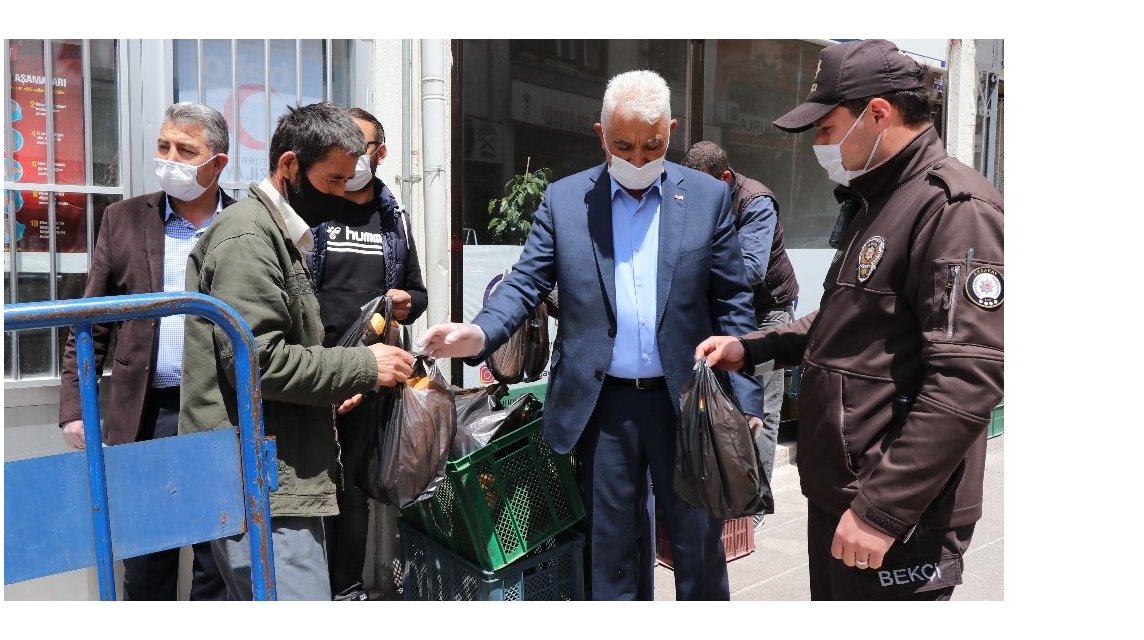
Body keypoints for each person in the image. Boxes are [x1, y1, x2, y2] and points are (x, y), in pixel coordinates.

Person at [421, 70, 760, 601]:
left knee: (698, 546)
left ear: (670, 131)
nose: (640, 158)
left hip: (688, 402)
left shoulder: (705, 199)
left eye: (654, 145)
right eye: (624, 145)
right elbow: (527, 282)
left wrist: (746, 398)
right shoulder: (564, 202)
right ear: (600, 134)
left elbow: (733, 302)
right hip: (605, 407)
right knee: (614, 553)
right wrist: (478, 332)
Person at [695, 39, 1004, 600]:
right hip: (843, 491)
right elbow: (840, 321)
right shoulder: (877, 201)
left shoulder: (953, 209)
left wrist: (883, 510)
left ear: (878, 113)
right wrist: (752, 346)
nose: (819, 145)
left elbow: (968, 377)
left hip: (897, 512)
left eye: (826, 129)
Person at [178, 102, 415, 601]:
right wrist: (363, 365)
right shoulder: (248, 237)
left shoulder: (278, 234)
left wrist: (333, 390)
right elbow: (259, 362)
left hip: (276, 471)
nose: (341, 196)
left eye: (348, 182)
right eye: (331, 182)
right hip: (261, 479)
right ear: (289, 166)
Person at [57, 102, 233, 601]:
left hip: (221, 411)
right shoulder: (125, 219)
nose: (170, 158)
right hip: (147, 412)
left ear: (217, 163)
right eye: (164, 146)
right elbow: (91, 322)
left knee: (216, 552)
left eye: (185, 149)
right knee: (147, 552)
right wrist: (76, 409)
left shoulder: (245, 223)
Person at [309, 107, 427, 601]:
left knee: (352, 488)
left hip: (370, 374)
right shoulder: (313, 209)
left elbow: (417, 296)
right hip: (310, 369)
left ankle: (348, 589)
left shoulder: (392, 217)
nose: (354, 160)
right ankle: (306, 589)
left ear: (380, 154)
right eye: (346, 149)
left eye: (364, 149)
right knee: (307, 485)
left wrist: (405, 304)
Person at [681, 141, 800, 530]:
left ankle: (754, 504)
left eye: (703, 190)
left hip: (769, 311)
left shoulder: (756, 203)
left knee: (761, 406)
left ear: (725, 179)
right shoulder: (698, 199)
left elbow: (749, 270)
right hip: (726, 308)